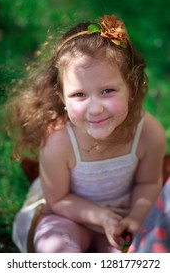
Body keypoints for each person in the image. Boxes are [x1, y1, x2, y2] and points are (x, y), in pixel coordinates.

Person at [9, 14, 166, 253]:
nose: (95, 108)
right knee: (55, 246)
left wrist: (134, 219)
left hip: (124, 216)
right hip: (66, 216)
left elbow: (148, 183)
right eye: (79, 95)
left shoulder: (148, 133)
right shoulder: (59, 141)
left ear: (131, 87)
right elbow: (58, 200)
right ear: (62, 97)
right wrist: (101, 217)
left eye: (107, 91)